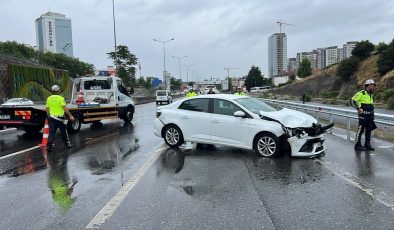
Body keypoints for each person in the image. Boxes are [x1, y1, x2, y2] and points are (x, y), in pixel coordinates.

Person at [350, 79, 377, 151]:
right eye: (372, 85)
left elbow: (371, 105)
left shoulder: (371, 94)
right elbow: (352, 101)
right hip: (363, 115)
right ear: (368, 85)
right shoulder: (361, 93)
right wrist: (358, 108)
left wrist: (373, 115)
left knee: (369, 130)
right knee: (360, 130)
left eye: (374, 85)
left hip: (370, 116)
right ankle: (357, 145)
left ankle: (367, 144)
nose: (374, 86)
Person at [46, 85, 74, 151]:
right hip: (60, 118)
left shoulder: (49, 98)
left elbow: (47, 109)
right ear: (58, 91)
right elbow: (65, 108)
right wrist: (70, 116)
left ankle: (49, 146)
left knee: (52, 132)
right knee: (64, 132)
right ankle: (67, 145)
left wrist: (48, 117)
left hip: (52, 118)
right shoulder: (60, 98)